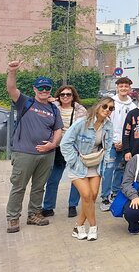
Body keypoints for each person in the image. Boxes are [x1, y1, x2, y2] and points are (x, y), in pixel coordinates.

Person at [5, 62, 63, 233]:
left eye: (47, 88)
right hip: (24, 153)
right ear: (34, 89)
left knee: (39, 186)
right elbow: (11, 88)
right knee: (19, 186)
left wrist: (53, 144)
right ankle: (13, 217)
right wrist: (12, 71)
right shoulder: (25, 102)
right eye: (41, 88)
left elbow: (58, 129)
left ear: (51, 89)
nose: (44, 90)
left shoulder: (53, 108)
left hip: (47, 154)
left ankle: (34, 214)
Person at [60, 98, 115, 241]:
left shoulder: (108, 125)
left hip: (95, 164)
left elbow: (108, 147)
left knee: (93, 195)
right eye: (105, 106)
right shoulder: (82, 122)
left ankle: (78, 226)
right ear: (97, 106)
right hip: (79, 165)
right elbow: (65, 143)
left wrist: (106, 163)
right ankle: (93, 227)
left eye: (111, 108)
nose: (107, 109)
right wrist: (74, 161)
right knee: (86, 194)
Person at [41, 85, 87, 218]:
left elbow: (84, 129)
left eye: (68, 94)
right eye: (63, 95)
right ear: (58, 96)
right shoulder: (52, 107)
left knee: (76, 178)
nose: (65, 97)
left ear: (73, 96)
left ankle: (72, 205)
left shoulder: (81, 110)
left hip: (74, 148)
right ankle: (48, 207)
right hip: (58, 148)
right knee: (53, 178)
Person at [100, 76, 137, 212]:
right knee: (108, 169)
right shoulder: (111, 103)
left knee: (121, 169)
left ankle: (115, 193)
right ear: (117, 87)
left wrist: (124, 142)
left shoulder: (133, 106)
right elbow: (106, 123)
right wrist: (114, 141)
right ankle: (104, 197)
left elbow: (131, 128)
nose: (123, 88)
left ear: (129, 88)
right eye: (121, 86)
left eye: (126, 86)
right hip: (111, 143)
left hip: (125, 143)